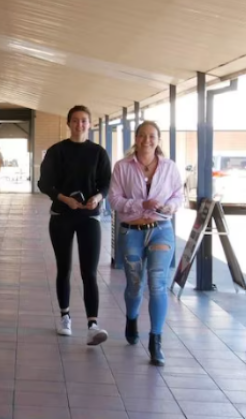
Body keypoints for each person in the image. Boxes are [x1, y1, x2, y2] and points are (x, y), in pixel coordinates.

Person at [109, 121, 183, 366]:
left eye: (152, 136)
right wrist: (141, 204)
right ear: (136, 139)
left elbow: (177, 195)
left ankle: (155, 340)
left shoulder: (170, 167)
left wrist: (169, 206)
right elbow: (114, 200)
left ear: (158, 139)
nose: (147, 140)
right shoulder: (122, 167)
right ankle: (131, 318)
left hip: (161, 229)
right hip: (132, 231)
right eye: (142, 136)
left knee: (157, 283)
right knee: (135, 283)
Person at [38, 105, 111, 345]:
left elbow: (106, 184)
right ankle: (65, 317)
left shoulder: (98, 152)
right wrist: (64, 199)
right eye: (76, 120)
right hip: (62, 216)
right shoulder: (57, 151)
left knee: (89, 272)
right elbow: (45, 183)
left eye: (84, 121)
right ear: (68, 123)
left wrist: (97, 198)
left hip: (89, 217)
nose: (80, 124)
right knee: (64, 268)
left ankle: (93, 324)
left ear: (90, 124)